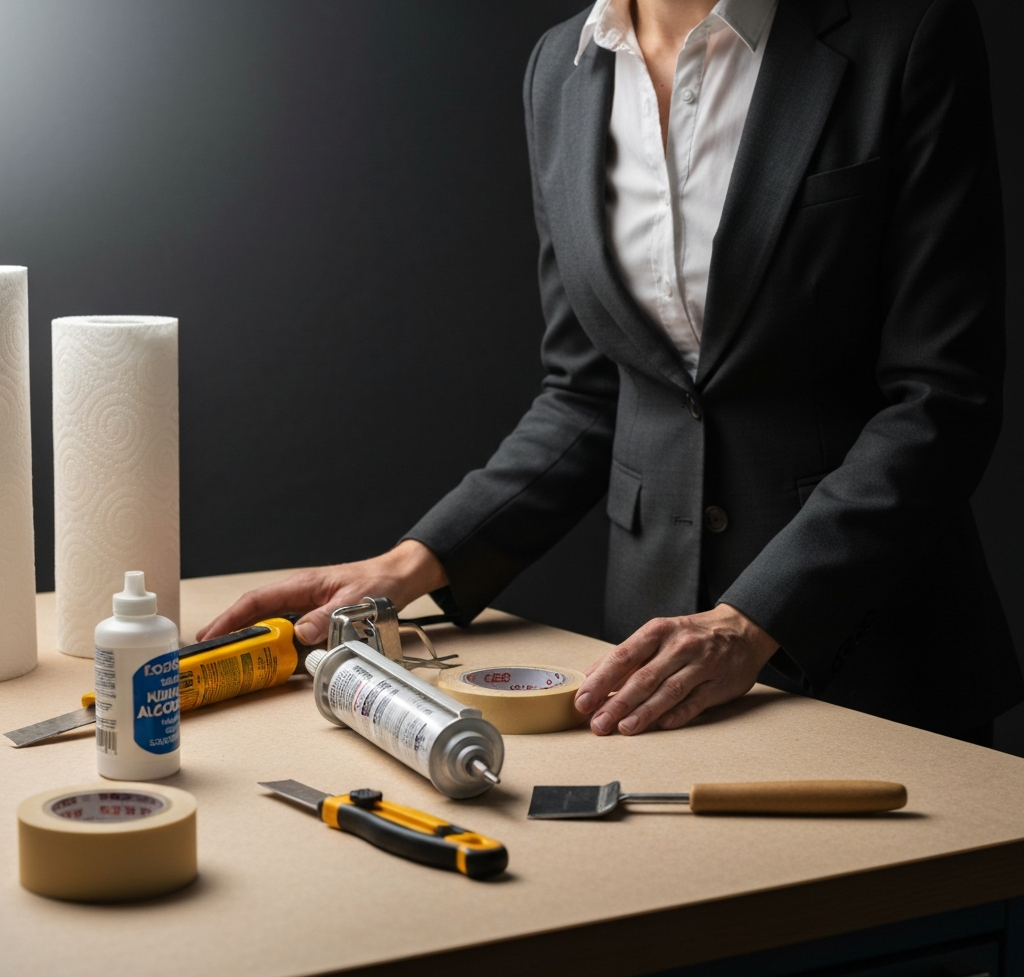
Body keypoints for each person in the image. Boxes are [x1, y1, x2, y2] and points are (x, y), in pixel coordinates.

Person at [199, 0, 1022, 744]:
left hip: (879, 658)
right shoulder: (560, 67)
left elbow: (940, 398)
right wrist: (408, 563)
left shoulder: (905, 34)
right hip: (644, 663)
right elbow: (589, 392)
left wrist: (749, 622)